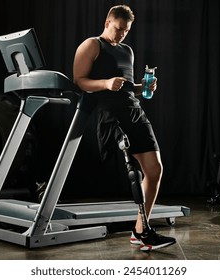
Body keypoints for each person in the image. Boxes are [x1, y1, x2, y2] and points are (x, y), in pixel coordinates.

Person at [73, 4, 176, 251]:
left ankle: (140, 229)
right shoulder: (92, 45)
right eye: (119, 29)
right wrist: (106, 83)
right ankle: (145, 234)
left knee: (155, 170)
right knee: (135, 170)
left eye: (126, 31)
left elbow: (127, 87)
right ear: (107, 22)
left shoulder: (127, 51)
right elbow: (79, 81)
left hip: (134, 110)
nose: (121, 35)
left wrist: (144, 88)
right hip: (109, 113)